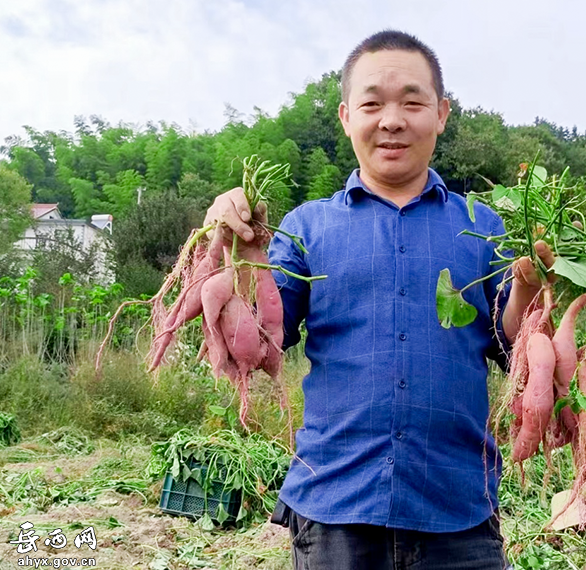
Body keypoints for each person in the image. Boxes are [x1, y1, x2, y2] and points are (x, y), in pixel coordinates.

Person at [205, 29, 554, 570]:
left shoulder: (482, 226)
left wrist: (530, 286)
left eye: (412, 102)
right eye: (373, 103)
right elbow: (261, 346)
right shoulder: (305, 228)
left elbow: (514, 349)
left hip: (457, 507)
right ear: (347, 117)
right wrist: (243, 258)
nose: (392, 119)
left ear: (441, 114)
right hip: (334, 505)